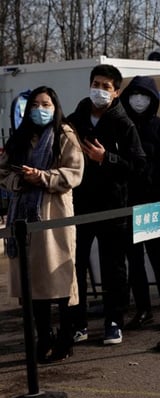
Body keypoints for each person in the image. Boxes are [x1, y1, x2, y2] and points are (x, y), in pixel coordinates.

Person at [0, 86, 84, 362]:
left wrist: (44, 177)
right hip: (23, 216)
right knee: (32, 282)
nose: (39, 109)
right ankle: (43, 336)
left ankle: (65, 336)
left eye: (45, 103)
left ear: (55, 105)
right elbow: (3, 172)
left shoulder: (65, 134)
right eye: (35, 104)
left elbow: (74, 173)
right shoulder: (20, 138)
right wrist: (21, 179)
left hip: (54, 214)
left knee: (58, 279)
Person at [68, 64, 146, 346]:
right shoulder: (74, 121)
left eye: (105, 86)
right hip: (79, 205)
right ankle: (76, 322)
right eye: (95, 84)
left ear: (116, 92)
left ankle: (114, 321)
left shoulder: (124, 124)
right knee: (75, 265)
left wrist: (107, 159)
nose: (99, 90)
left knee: (113, 266)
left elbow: (138, 167)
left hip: (114, 206)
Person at [120, 76, 160, 330]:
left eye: (144, 95)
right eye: (134, 95)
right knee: (134, 261)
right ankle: (143, 308)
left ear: (152, 99)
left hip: (151, 203)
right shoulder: (121, 126)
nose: (139, 100)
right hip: (126, 202)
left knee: (157, 258)